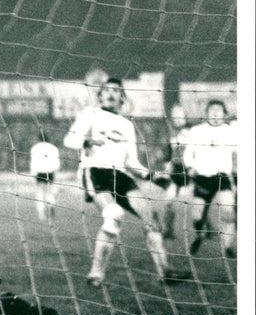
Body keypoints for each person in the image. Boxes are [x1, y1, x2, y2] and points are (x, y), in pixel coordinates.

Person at [63, 77, 190, 287]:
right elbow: (69, 140)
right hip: (95, 172)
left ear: (122, 98)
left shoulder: (127, 125)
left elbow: (131, 162)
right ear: (100, 94)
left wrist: (154, 176)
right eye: (107, 90)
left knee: (152, 217)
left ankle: (165, 271)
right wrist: (88, 141)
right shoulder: (89, 114)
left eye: (117, 91)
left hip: (120, 176)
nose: (111, 94)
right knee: (113, 214)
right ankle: (96, 274)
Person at [182, 100, 237, 258]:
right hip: (202, 178)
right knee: (197, 217)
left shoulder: (231, 131)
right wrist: (190, 166)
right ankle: (200, 235)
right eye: (211, 109)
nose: (214, 113)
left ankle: (227, 247)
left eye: (219, 110)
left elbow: (239, 152)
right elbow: (188, 152)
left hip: (223, 178)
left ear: (224, 114)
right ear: (206, 113)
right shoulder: (197, 130)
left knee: (228, 211)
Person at [157, 104, 194, 240]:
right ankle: (168, 230)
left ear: (185, 115)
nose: (177, 118)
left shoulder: (194, 131)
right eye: (174, 116)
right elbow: (168, 154)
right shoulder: (171, 133)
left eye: (179, 115)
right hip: (176, 172)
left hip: (191, 172)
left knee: (195, 202)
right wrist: (167, 169)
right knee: (168, 201)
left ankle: (206, 228)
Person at [29, 130, 61, 223]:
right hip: (50, 172)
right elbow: (57, 162)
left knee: (40, 193)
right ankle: (51, 209)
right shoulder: (53, 148)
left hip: (39, 172)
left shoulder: (35, 148)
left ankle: (41, 214)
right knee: (49, 193)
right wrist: (55, 171)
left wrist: (33, 174)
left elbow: (33, 162)